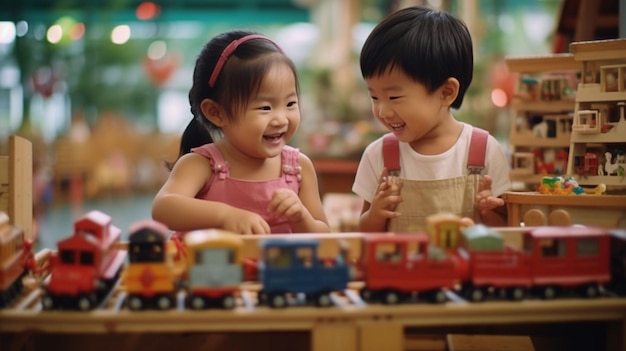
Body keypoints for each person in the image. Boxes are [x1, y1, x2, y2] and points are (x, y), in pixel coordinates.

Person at [152, 30, 330, 235]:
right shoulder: (203, 165)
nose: (281, 119)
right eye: (265, 107)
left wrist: (301, 218)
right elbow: (163, 208)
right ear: (216, 113)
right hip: (215, 267)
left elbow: (326, 237)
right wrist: (225, 216)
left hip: (279, 268)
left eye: (290, 103)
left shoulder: (299, 168)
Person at [352, 6, 511, 232]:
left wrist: (487, 213)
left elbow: (505, 233)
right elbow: (365, 234)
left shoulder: (484, 151)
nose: (383, 111)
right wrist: (376, 214)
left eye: (394, 96)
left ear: (446, 92)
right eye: (374, 96)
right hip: (401, 268)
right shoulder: (379, 156)